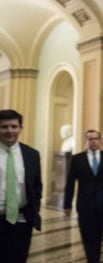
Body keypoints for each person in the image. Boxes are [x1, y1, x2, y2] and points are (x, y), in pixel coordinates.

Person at [64, 129, 103, 263]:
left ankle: (94, 257)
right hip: (84, 205)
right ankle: (93, 259)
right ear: (85, 142)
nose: (93, 141)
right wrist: (67, 204)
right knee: (87, 235)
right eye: (90, 139)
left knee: (98, 234)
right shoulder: (77, 159)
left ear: (100, 141)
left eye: (96, 138)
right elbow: (70, 182)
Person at [0, 109, 42, 263]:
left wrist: (34, 210)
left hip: (22, 221)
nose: (9, 131)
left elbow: (37, 186)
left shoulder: (32, 154)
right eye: (4, 127)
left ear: (20, 128)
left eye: (13, 126)